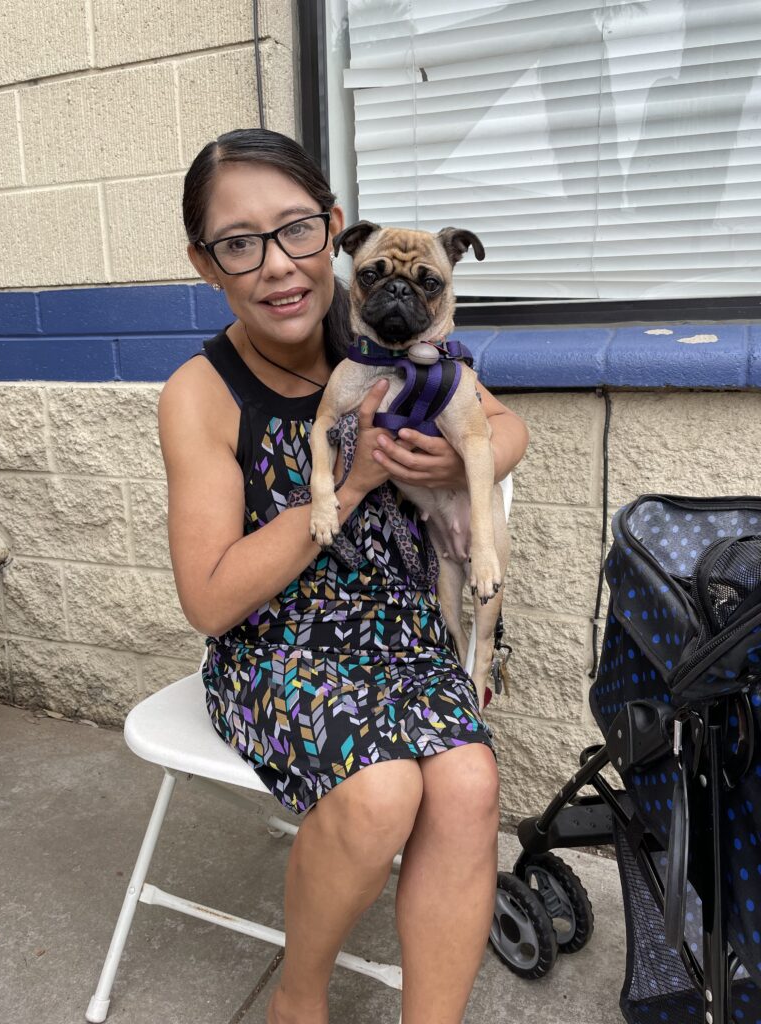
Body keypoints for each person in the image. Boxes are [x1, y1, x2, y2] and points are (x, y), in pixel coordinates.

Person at [158, 128, 529, 1024]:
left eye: (295, 231)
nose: (277, 266)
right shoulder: (201, 393)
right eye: (239, 244)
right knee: (382, 788)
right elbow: (209, 600)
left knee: (471, 783)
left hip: (400, 629)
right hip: (275, 648)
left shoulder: (378, 334)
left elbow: (502, 427)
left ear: (333, 231)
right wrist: (356, 480)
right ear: (206, 264)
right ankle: (300, 996)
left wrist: (459, 464)